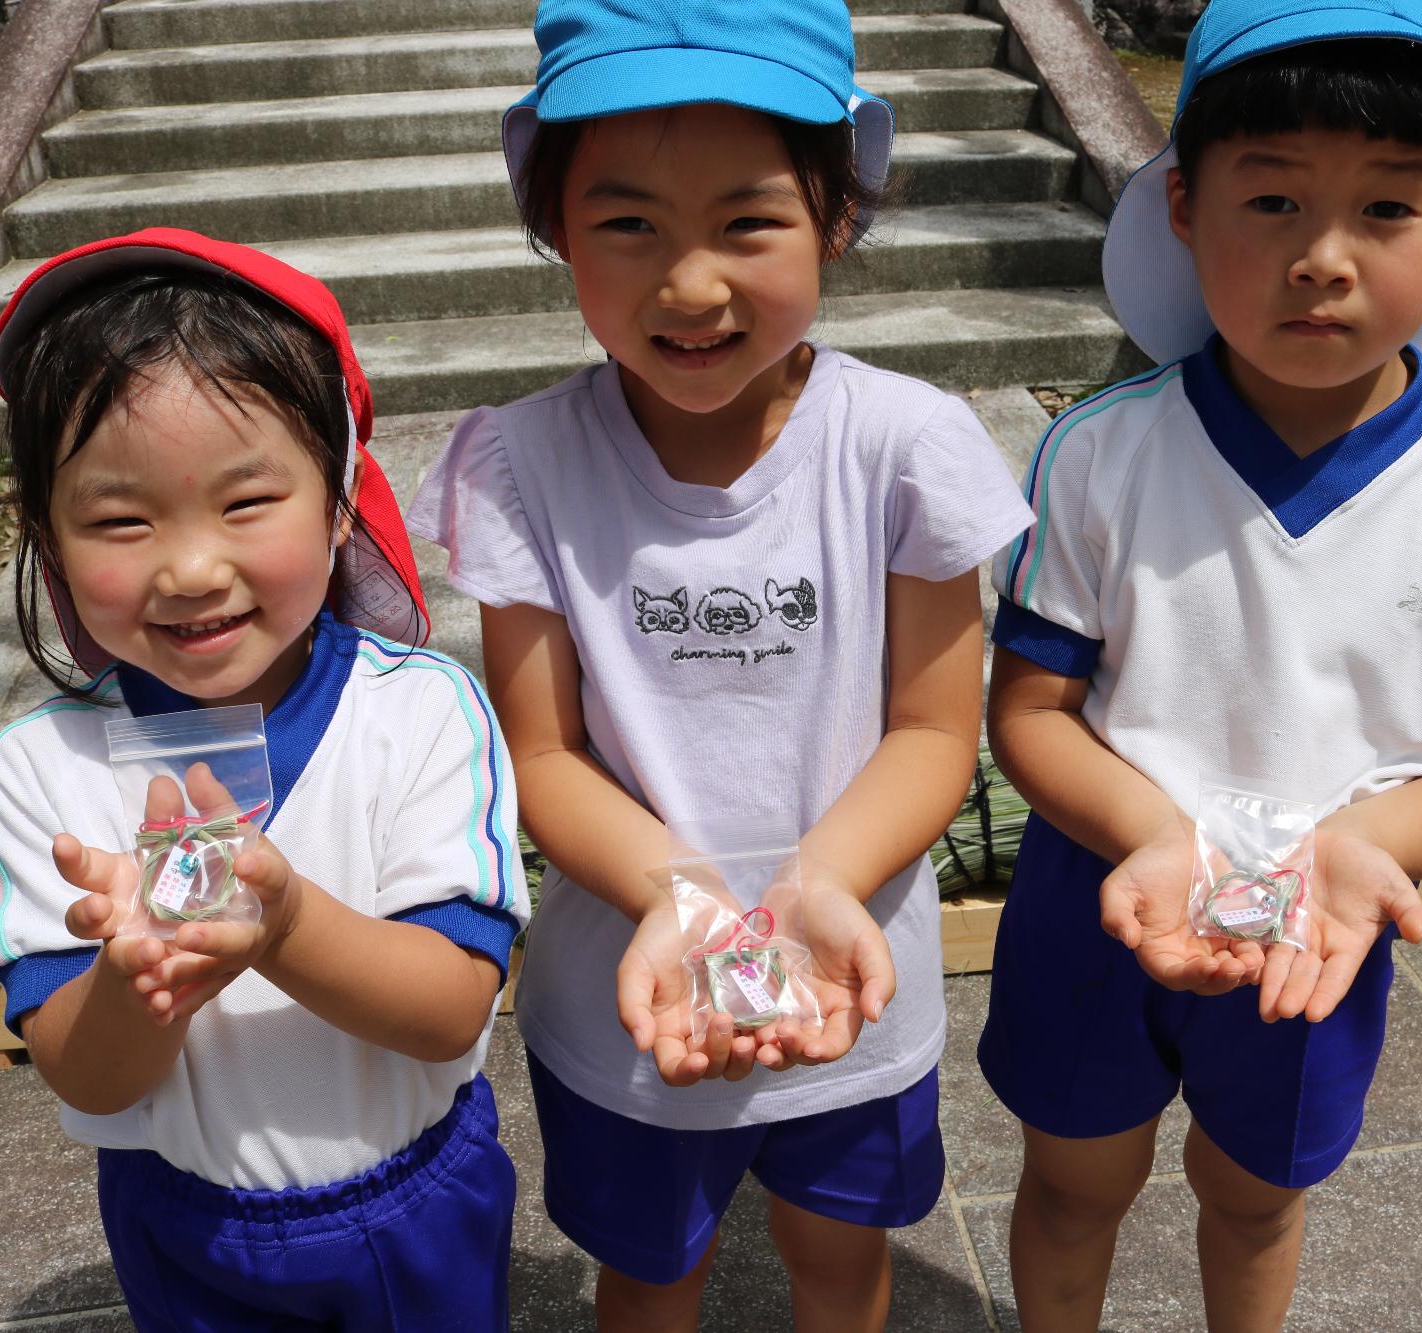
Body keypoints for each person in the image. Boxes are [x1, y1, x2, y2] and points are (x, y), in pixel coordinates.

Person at [405, 1, 1033, 1326]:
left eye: (749, 222)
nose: (689, 285)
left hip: (853, 972)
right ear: (554, 227)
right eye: (626, 223)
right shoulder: (519, 466)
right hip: (630, 989)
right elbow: (544, 755)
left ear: (838, 218)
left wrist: (817, 885)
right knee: (647, 1273)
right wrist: (685, 902)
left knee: (840, 1260)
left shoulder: (908, 446)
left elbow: (933, 734)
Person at [976, 2, 1422, 1327]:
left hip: (1323, 918)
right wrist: (1153, 832)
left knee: (1255, 1198)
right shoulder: (1102, 454)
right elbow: (1032, 710)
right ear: (1184, 206)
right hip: (1106, 886)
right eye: (1274, 200)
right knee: (1076, 1180)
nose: (1323, 259)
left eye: (1386, 208)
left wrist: (1365, 848)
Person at [0, 229, 525, 1331]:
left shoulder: (418, 714)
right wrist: (138, 978)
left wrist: (282, 923)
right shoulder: (42, 770)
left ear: (338, 504)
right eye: (120, 518)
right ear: (47, 538)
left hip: (412, 1200)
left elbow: (450, 1007)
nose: (188, 567)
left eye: (244, 502)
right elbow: (89, 1078)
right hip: (187, 1222)